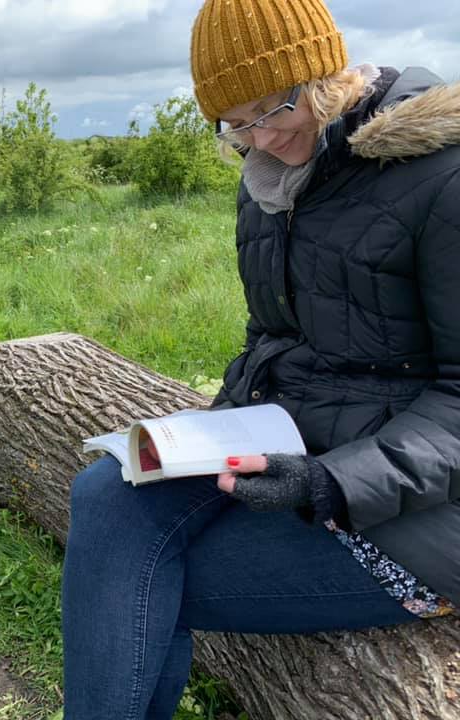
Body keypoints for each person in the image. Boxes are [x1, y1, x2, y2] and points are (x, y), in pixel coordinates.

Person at [61, 0, 460, 718]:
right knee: (107, 496)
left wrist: (330, 482)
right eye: (235, 123)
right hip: (303, 445)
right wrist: (208, 437)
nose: (262, 138)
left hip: (421, 514)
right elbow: (275, 335)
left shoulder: (440, 174)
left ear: (326, 76)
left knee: (134, 582)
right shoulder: (270, 181)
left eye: (275, 107)